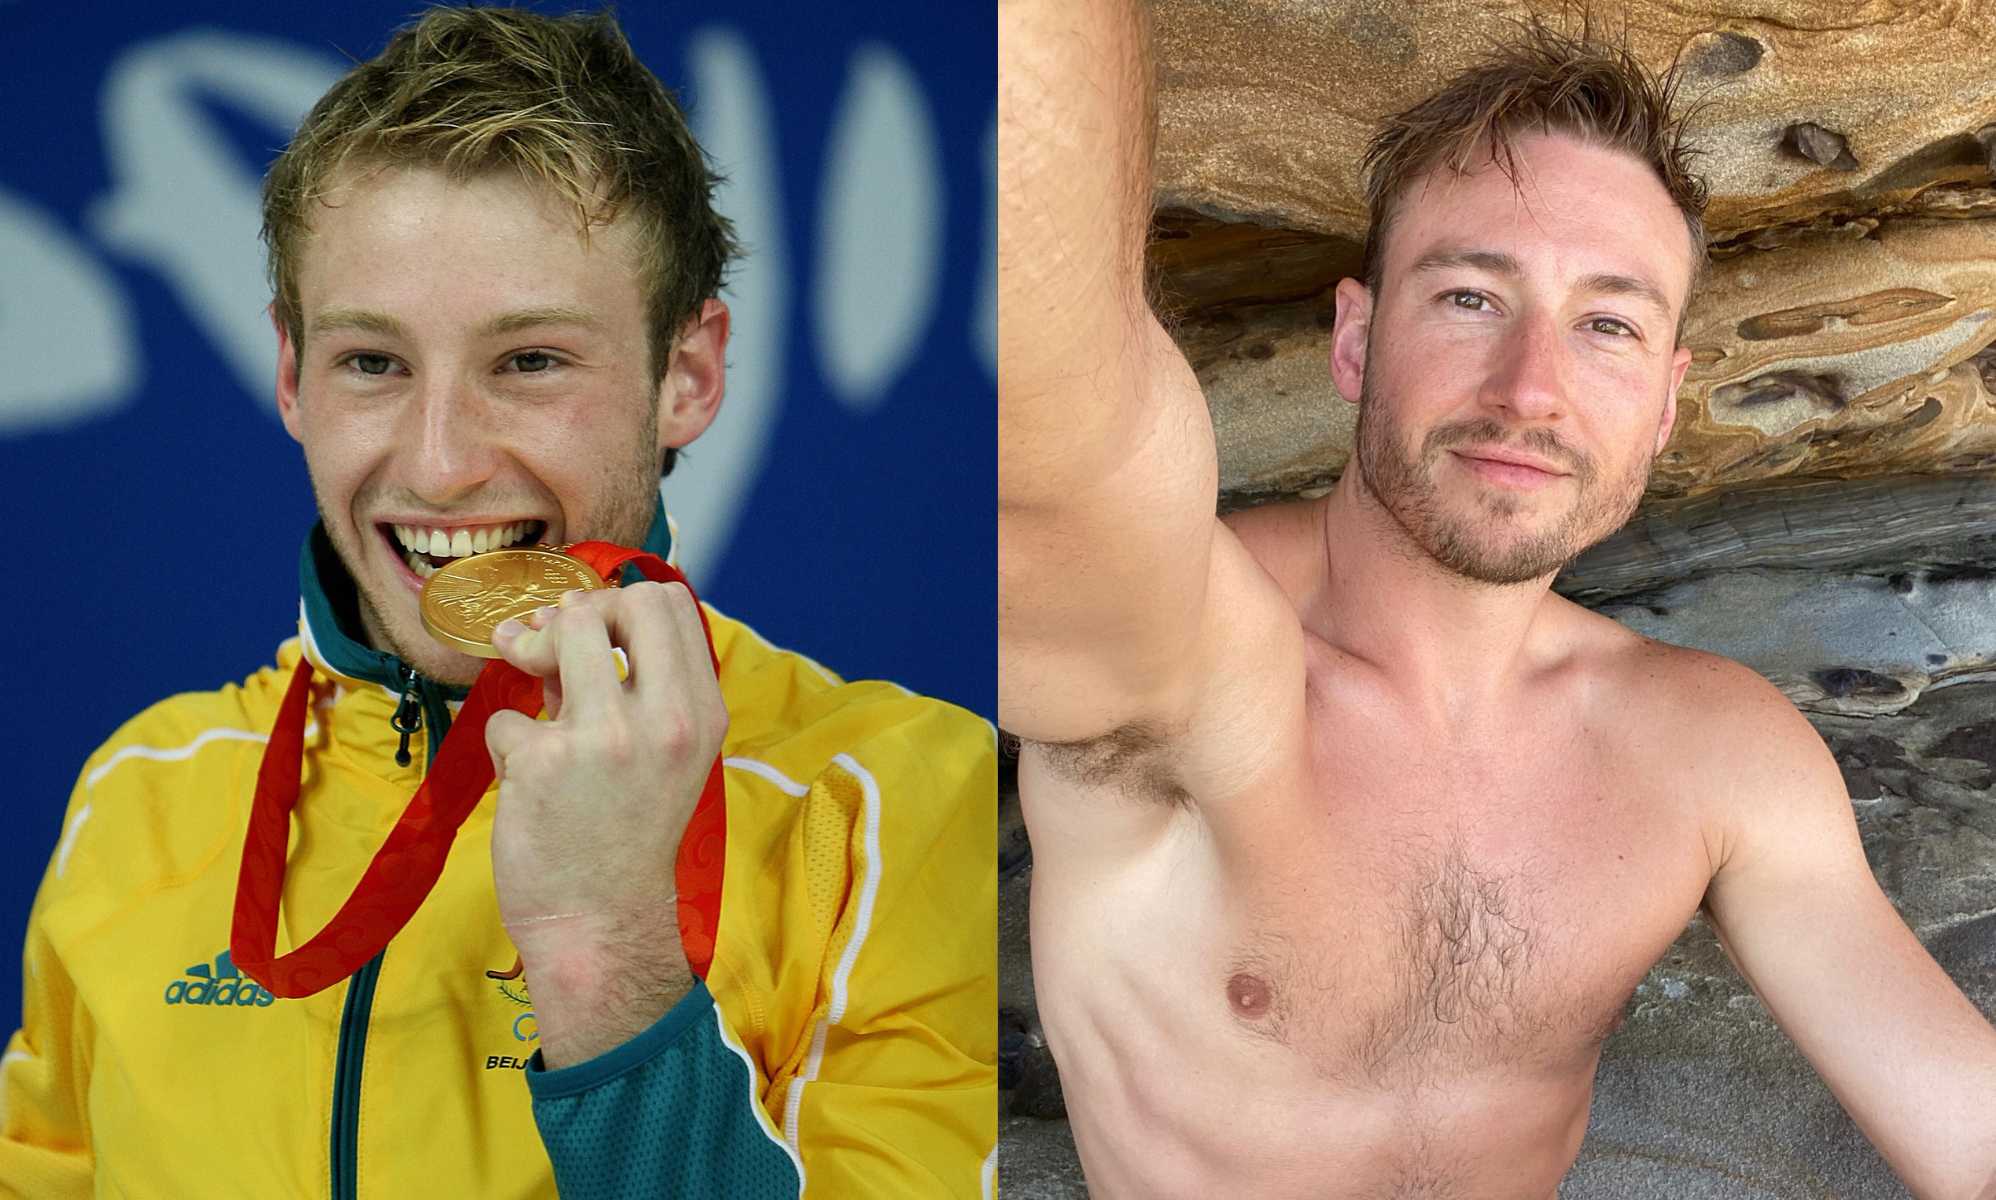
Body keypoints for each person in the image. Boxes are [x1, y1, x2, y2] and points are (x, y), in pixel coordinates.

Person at [997, 2, 1996, 1196]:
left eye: (1608, 325)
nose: (1532, 392)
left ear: (1670, 402)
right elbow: (1052, 423)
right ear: (1356, 343)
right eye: (1471, 297)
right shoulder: (1193, 654)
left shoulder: (1713, 748)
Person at [3, 8, 995, 1198]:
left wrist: (608, 962)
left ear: (687, 376)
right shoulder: (141, 793)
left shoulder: (904, 804)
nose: (438, 463)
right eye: (372, 361)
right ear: (290, 377)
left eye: (528, 361)